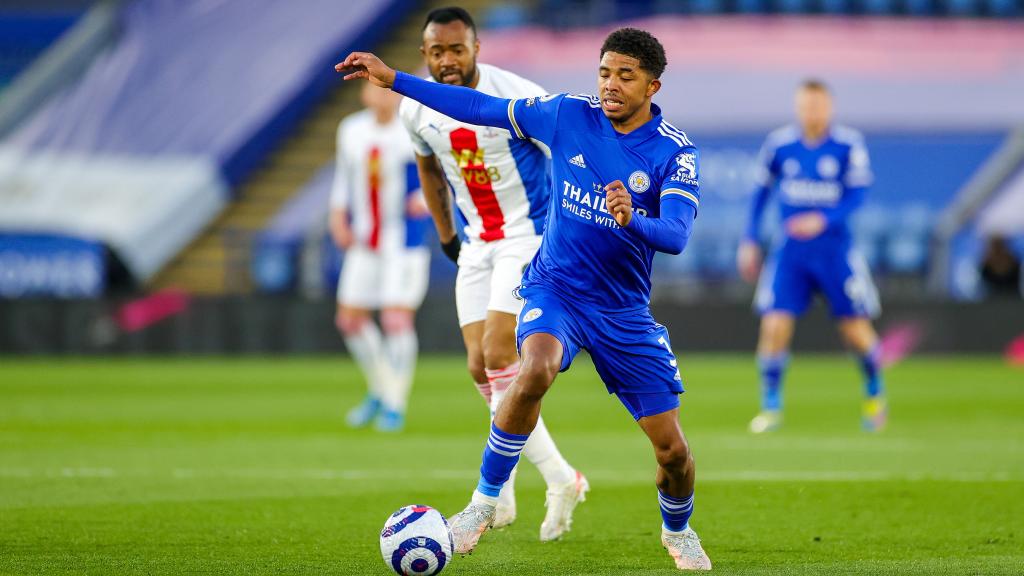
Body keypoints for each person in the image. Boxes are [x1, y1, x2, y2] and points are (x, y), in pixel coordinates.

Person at [336, 26, 712, 570]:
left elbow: (676, 235)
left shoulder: (674, 153)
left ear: (652, 85)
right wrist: (395, 80)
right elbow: (479, 106)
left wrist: (635, 218)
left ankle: (678, 531)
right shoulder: (566, 114)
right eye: (604, 72)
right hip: (554, 286)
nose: (610, 85)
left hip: (622, 311)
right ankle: (480, 506)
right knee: (532, 366)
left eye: (625, 76)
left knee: (673, 453)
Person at [398, 7, 584, 540]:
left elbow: (565, 151)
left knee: (503, 352)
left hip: (529, 237)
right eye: (436, 52)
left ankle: (527, 486)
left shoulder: (516, 95)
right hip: (478, 242)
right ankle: (531, 487)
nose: (447, 60)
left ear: (476, 47)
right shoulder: (417, 109)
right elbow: (428, 167)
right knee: (480, 368)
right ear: (425, 55)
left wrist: (569, 231)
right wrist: (446, 236)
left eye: (456, 49)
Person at [737, 80, 886, 434]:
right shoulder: (780, 145)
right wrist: (749, 239)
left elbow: (857, 196)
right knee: (773, 325)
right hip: (790, 252)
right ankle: (770, 407)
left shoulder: (848, 144)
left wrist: (823, 219)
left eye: (817, 105)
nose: (811, 112)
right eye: (805, 105)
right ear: (797, 107)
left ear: (829, 107)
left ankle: (874, 393)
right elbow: (760, 195)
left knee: (855, 331)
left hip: (835, 251)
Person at [330, 82, 431, 433]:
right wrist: (337, 216)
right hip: (365, 237)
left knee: (395, 319)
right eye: (376, 89)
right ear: (364, 94)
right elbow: (344, 178)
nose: (384, 96)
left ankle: (394, 404)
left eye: (389, 90)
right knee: (350, 320)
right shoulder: (352, 130)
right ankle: (379, 388)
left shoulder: (411, 130)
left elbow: (437, 172)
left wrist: (425, 198)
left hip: (402, 239)